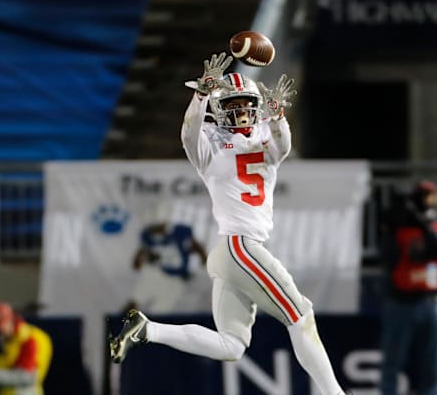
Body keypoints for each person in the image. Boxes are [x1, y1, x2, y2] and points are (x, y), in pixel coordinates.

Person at [109, 53, 346, 395]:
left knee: (231, 345)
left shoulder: (265, 139)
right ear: (218, 111)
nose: (241, 112)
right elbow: (190, 134)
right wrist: (200, 95)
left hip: (232, 251)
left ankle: (149, 330)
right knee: (301, 314)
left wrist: (278, 115)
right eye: (232, 105)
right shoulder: (211, 149)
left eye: (247, 104)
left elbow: (283, 143)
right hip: (240, 246)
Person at [379, 180, 437, 395]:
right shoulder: (398, 228)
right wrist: (399, 217)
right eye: (427, 196)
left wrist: (420, 222)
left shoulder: (435, 227)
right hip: (402, 303)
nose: (432, 202)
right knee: (393, 361)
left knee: (432, 362)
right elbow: (390, 255)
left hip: (431, 302)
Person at [126, 222, 207, 313]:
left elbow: (194, 245)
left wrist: (203, 257)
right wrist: (138, 259)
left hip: (176, 281)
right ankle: (118, 323)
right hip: (157, 274)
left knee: (159, 313)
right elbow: (143, 250)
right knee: (134, 302)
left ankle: (150, 325)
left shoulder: (179, 234)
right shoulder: (150, 239)